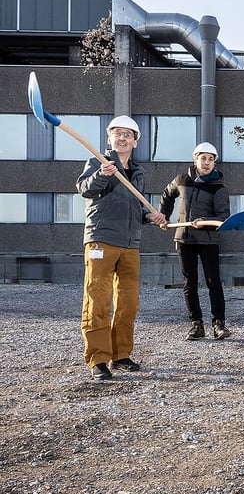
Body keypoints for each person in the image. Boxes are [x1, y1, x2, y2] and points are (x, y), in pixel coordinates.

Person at [76, 115, 167, 380]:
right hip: (101, 239)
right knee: (98, 300)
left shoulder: (138, 173)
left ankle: (121, 355)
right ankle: (98, 359)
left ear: (135, 141)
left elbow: (134, 209)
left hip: (130, 244)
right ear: (109, 138)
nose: (122, 138)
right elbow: (84, 189)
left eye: (127, 134)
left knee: (129, 303)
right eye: (117, 133)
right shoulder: (98, 162)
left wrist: (149, 216)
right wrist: (101, 175)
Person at [160, 142, 232, 341]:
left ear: (214, 163)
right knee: (189, 283)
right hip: (184, 238)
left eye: (211, 159)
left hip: (208, 240)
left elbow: (223, 218)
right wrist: (164, 216)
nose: (207, 162)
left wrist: (205, 223)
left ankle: (219, 324)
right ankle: (196, 325)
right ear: (195, 159)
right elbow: (167, 195)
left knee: (213, 282)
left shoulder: (218, 187)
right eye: (203, 158)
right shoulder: (181, 180)